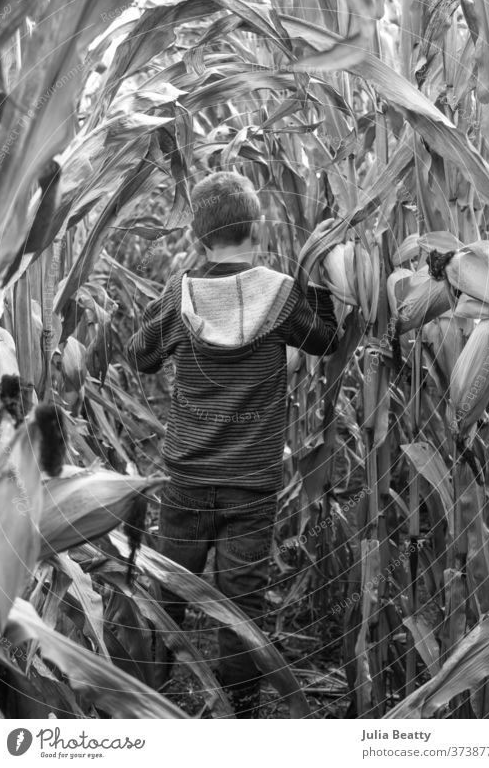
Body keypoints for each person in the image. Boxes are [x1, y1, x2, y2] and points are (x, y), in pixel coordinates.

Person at [127, 171, 339, 717]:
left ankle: (146, 701)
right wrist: (323, 278)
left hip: (187, 478)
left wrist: (163, 305)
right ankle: (242, 716)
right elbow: (326, 339)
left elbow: (141, 356)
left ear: (199, 238)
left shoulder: (181, 295)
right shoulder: (281, 294)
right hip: (252, 482)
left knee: (168, 589)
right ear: (257, 226)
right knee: (241, 606)